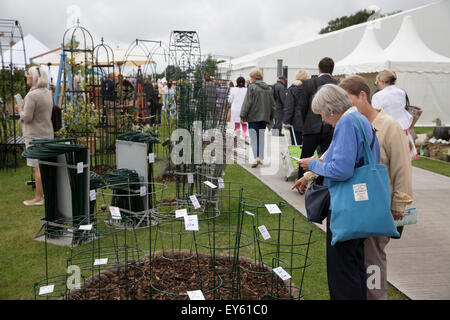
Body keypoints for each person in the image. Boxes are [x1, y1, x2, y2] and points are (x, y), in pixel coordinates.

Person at [297, 84, 381, 300]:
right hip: (361, 205)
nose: (323, 121)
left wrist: (312, 165)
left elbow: (341, 170)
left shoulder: (345, 123)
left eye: (322, 115)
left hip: (345, 207)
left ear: (331, 110)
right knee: (354, 266)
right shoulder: (361, 120)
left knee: (341, 271)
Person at [339, 75, 413, 300]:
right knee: (357, 259)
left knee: (373, 260)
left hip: (379, 207)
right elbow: (336, 155)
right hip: (356, 205)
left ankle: (376, 297)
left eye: (347, 100)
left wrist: (399, 203)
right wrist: (310, 172)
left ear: (362, 96)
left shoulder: (390, 126)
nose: (344, 107)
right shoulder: (352, 122)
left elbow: (402, 167)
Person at [15, 66, 54, 206]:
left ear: (35, 77)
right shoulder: (47, 92)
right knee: (46, 166)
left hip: (34, 135)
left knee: (37, 167)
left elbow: (27, 117)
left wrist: (20, 109)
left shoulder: (32, 95)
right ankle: (47, 194)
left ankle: (39, 197)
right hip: (47, 133)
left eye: (29, 74)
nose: (27, 76)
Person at [297, 57, 338, 180]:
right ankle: (321, 182)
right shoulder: (337, 84)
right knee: (326, 158)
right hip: (330, 127)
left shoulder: (308, 83)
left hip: (311, 126)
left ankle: (301, 181)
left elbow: (303, 106)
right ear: (332, 70)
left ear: (319, 69)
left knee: (305, 157)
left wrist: (305, 124)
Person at [372, 70, 417, 158]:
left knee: (386, 160)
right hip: (402, 129)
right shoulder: (402, 92)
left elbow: (375, 115)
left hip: (386, 131)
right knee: (401, 160)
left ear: (381, 82)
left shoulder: (378, 96)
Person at [240, 70, 276, 168]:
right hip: (265, 117)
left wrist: (242, 115)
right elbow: (273, 105)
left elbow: (247, 103)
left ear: (254, 78)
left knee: (254, 138)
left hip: (253, 116)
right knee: (261, 137)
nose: (250, 79)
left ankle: (257, 157)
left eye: (251, 77)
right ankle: (260, 157)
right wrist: (271, 117)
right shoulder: (269, 88)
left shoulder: (252, 87)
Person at [283, 69, 309, 146]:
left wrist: (286, 121)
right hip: (309, 121)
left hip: (296, 121)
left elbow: (289, 107)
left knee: (296, 144)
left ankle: (297, 157)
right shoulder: (310, 88)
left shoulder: (292, 89)